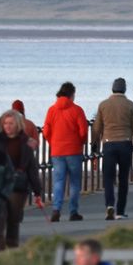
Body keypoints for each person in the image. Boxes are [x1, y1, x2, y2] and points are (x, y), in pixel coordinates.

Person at [92, 78, 133, 221]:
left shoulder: (103, 105)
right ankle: (120, 211)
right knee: (123, 178)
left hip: (108, 144)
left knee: (108, 177)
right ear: (124, 89)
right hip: (125, 143)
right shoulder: (131, 105)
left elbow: (97, 127)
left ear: (112, 89)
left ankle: (109, 205)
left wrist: (93, 143)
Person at [42, 82, 88, 222]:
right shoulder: (77, 110)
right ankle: (73, 211)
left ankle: (56, 209)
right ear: (72, 94)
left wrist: (52, 142)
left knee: (58, 181)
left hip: (57, 151)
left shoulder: (52, 110)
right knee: (74, 182)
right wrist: (80, 143)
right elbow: (83, 131)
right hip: (74, 150)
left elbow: (46, 131)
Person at [0, 110, 42, 249]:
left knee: (13, 217)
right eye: (5, 123)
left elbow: (32, 168)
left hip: (18, 185)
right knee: (0, 215)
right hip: (0, 183)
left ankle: (12, 245)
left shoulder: (26, 143)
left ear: (17, 124)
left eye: (11, 123)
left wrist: (37, 192)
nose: (8, 126)